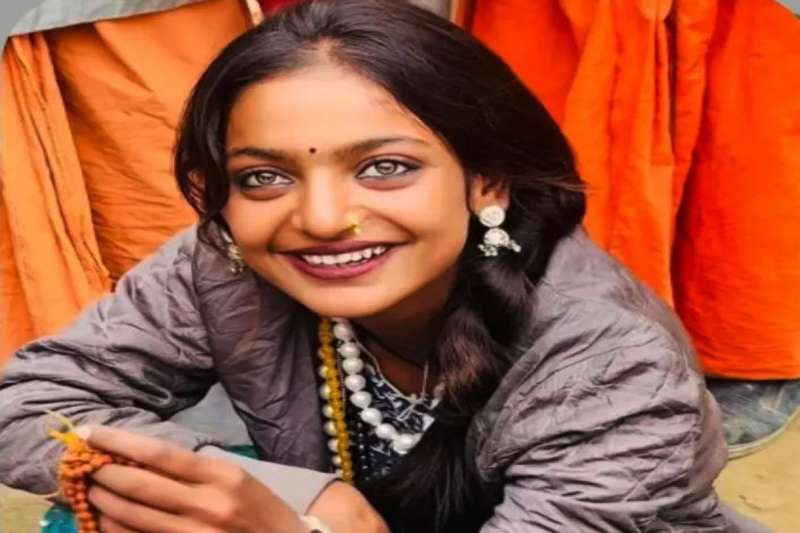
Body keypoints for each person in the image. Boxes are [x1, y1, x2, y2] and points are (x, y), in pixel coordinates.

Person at [0, 1, 763, 531]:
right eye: (263, 176)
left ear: (487, 180)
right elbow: (27, 405)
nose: (321, 218)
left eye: (385, 167)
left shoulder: (610, 365)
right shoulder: (227, 263)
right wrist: (299, 494)